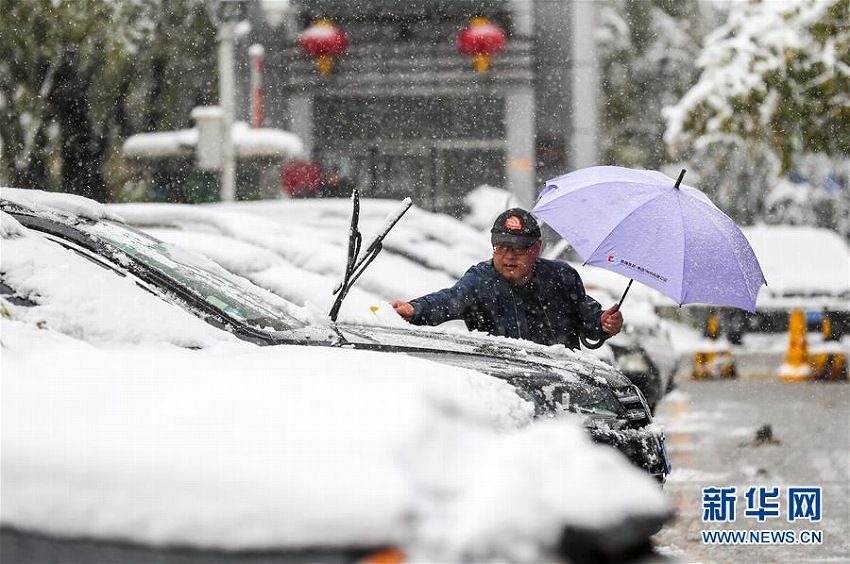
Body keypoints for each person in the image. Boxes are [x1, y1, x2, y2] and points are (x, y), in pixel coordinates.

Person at [391, 208, 623, 349]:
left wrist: (603, 323)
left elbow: (587, 318)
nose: (509, 256)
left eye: (519, 249)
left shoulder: (561, 276)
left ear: (537, 248)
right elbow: (449, 300)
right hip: (508, 384)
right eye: (502, 248)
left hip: (563, 382)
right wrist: (415, 309)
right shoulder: (480, 280)